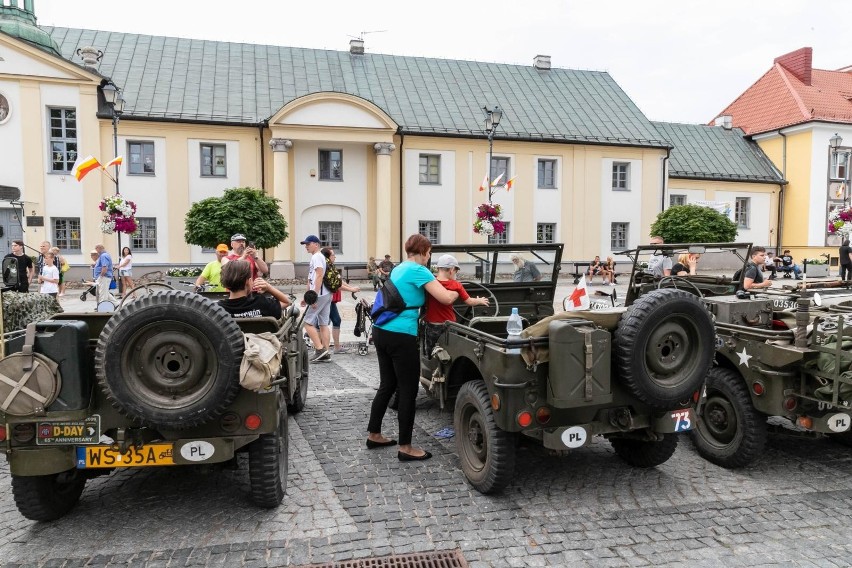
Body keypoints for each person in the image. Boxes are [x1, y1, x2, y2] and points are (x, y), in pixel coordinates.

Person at [366, 234, 459, 462]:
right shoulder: (420, 270)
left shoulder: (399, 268)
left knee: (387, 384)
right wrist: (459, 290)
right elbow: (446, 298)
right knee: (408, 389)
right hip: (401, 334)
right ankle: (406, 447)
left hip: (381, 330)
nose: (429, 257)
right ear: (425, 251)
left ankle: (374, 434)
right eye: (429, 253)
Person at [321, 247, 362, 354]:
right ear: (328, 257)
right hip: (326, 299)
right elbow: (337, 285)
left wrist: (351, 287)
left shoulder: (330, 267)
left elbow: (339, 281)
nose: (335, 256)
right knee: (323, 323)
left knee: (334, 320)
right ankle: (322, 348)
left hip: (330, 300)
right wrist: (351, 289)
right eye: (333, 255)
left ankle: (334, 347)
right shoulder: (326, 267)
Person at [218, 260, 291, 318]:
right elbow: (286, 302)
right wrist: (269, 287)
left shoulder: (219, 309)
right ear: (249, 281)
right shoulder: (260, 302)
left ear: (226, 284)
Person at [300, 234, 332, 362]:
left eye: (308, 244)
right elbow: (311, 279)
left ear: (316, 244)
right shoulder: (318, 257)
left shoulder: (317, 257)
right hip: (326, 294)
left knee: (307, 322)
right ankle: (326, 352)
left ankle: (319, 349)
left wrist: (313, 297)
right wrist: (306, 296)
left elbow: (319, 276)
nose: (306, 246)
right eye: (305, 244)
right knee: (323, 324)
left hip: (320, 294)